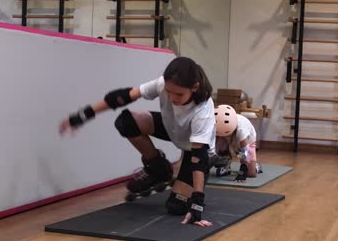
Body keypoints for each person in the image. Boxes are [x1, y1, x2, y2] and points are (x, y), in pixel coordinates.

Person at [59, 57, 215, 227]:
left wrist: (197, 203)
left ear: (194, 88)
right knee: (126, 122)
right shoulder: (162, 84)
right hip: (173, 129)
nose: (172, 98)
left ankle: (198, 172)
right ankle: (158, 168)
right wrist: (83, 115)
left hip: (195, 149)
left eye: (179, 94)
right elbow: (121, 97)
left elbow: (198, 159)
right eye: (169, 92)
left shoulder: (203, 110)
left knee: (176, 206)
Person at [210, 104, 262, 183]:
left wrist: (242, 171)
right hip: (228, 135)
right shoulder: (214, 124)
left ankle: (256, 166)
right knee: (217, 145)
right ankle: (225, 164)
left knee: (251, 173)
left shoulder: (241, 129)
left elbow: (245, 152)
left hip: (247, 140)